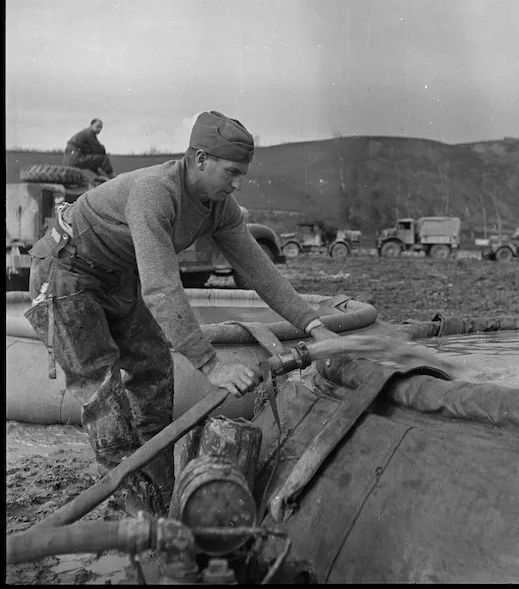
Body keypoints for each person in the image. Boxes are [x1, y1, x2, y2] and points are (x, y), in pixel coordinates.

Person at [25, 110, 338, 516]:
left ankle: (162, 491)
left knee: (155, 366)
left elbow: (258, 269)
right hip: (67, 273)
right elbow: (161, 288)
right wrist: (211, 364)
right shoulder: (156, 192)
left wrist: (313, 326)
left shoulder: (218, 205)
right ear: (200, 159)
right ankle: (142, 518)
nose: (238, 183)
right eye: (232, 171)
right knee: (104, 393)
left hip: (114, 276)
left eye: (242, 173)